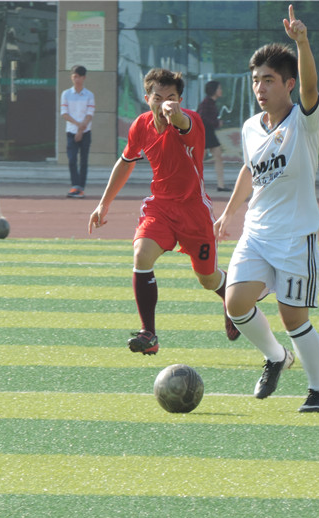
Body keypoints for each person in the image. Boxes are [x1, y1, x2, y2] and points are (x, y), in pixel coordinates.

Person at [213, 5, 319, 413]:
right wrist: (229, 212)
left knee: (292, 317)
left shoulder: (304, 121)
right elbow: (250, 170)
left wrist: (303, 42)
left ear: (288, 84)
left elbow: (312, 88)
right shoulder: (250, 127)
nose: (260, 87)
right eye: (255, 80)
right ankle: (276, 356)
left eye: (268, 79)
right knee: (235, 303)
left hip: (296, 236)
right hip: (257, 233)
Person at [88, 67, 239, 355]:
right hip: (160, 207)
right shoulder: (140, 125)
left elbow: (182, 122)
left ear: (180, 100)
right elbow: (126, 161)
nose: (164, 103)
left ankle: (232, 296)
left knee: (208, 278)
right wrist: (104, 203)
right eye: (158, 98)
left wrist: (174, 113)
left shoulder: (190, 120)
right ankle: (149, 334)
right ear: (147, 99)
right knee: (141, 254)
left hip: (194, 210)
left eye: (171, 97)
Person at [60, 65, 95, 198]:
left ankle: (81, 188)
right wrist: (78, 126)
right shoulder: (66, 94)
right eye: (74, 76)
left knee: (84, 161)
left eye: (79, 77)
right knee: (72, 159)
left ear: (84, 78)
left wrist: (81, 129)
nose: (76, 79)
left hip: (86, 132)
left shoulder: (89, 95)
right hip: (71, 131)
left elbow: (90, 114)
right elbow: (64, 114)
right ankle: (75, 186)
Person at [197, 80, 230, 192]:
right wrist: (216, 123)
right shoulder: (206, 103)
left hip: (208, 132)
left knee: (216, 156)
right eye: (219, 88)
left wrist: (216, 123)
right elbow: (202, 117)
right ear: (214, 90)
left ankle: (221, 185)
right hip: (204, 132)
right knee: (201, 159)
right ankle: (195, 184)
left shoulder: (210, 102)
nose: (221, 90)